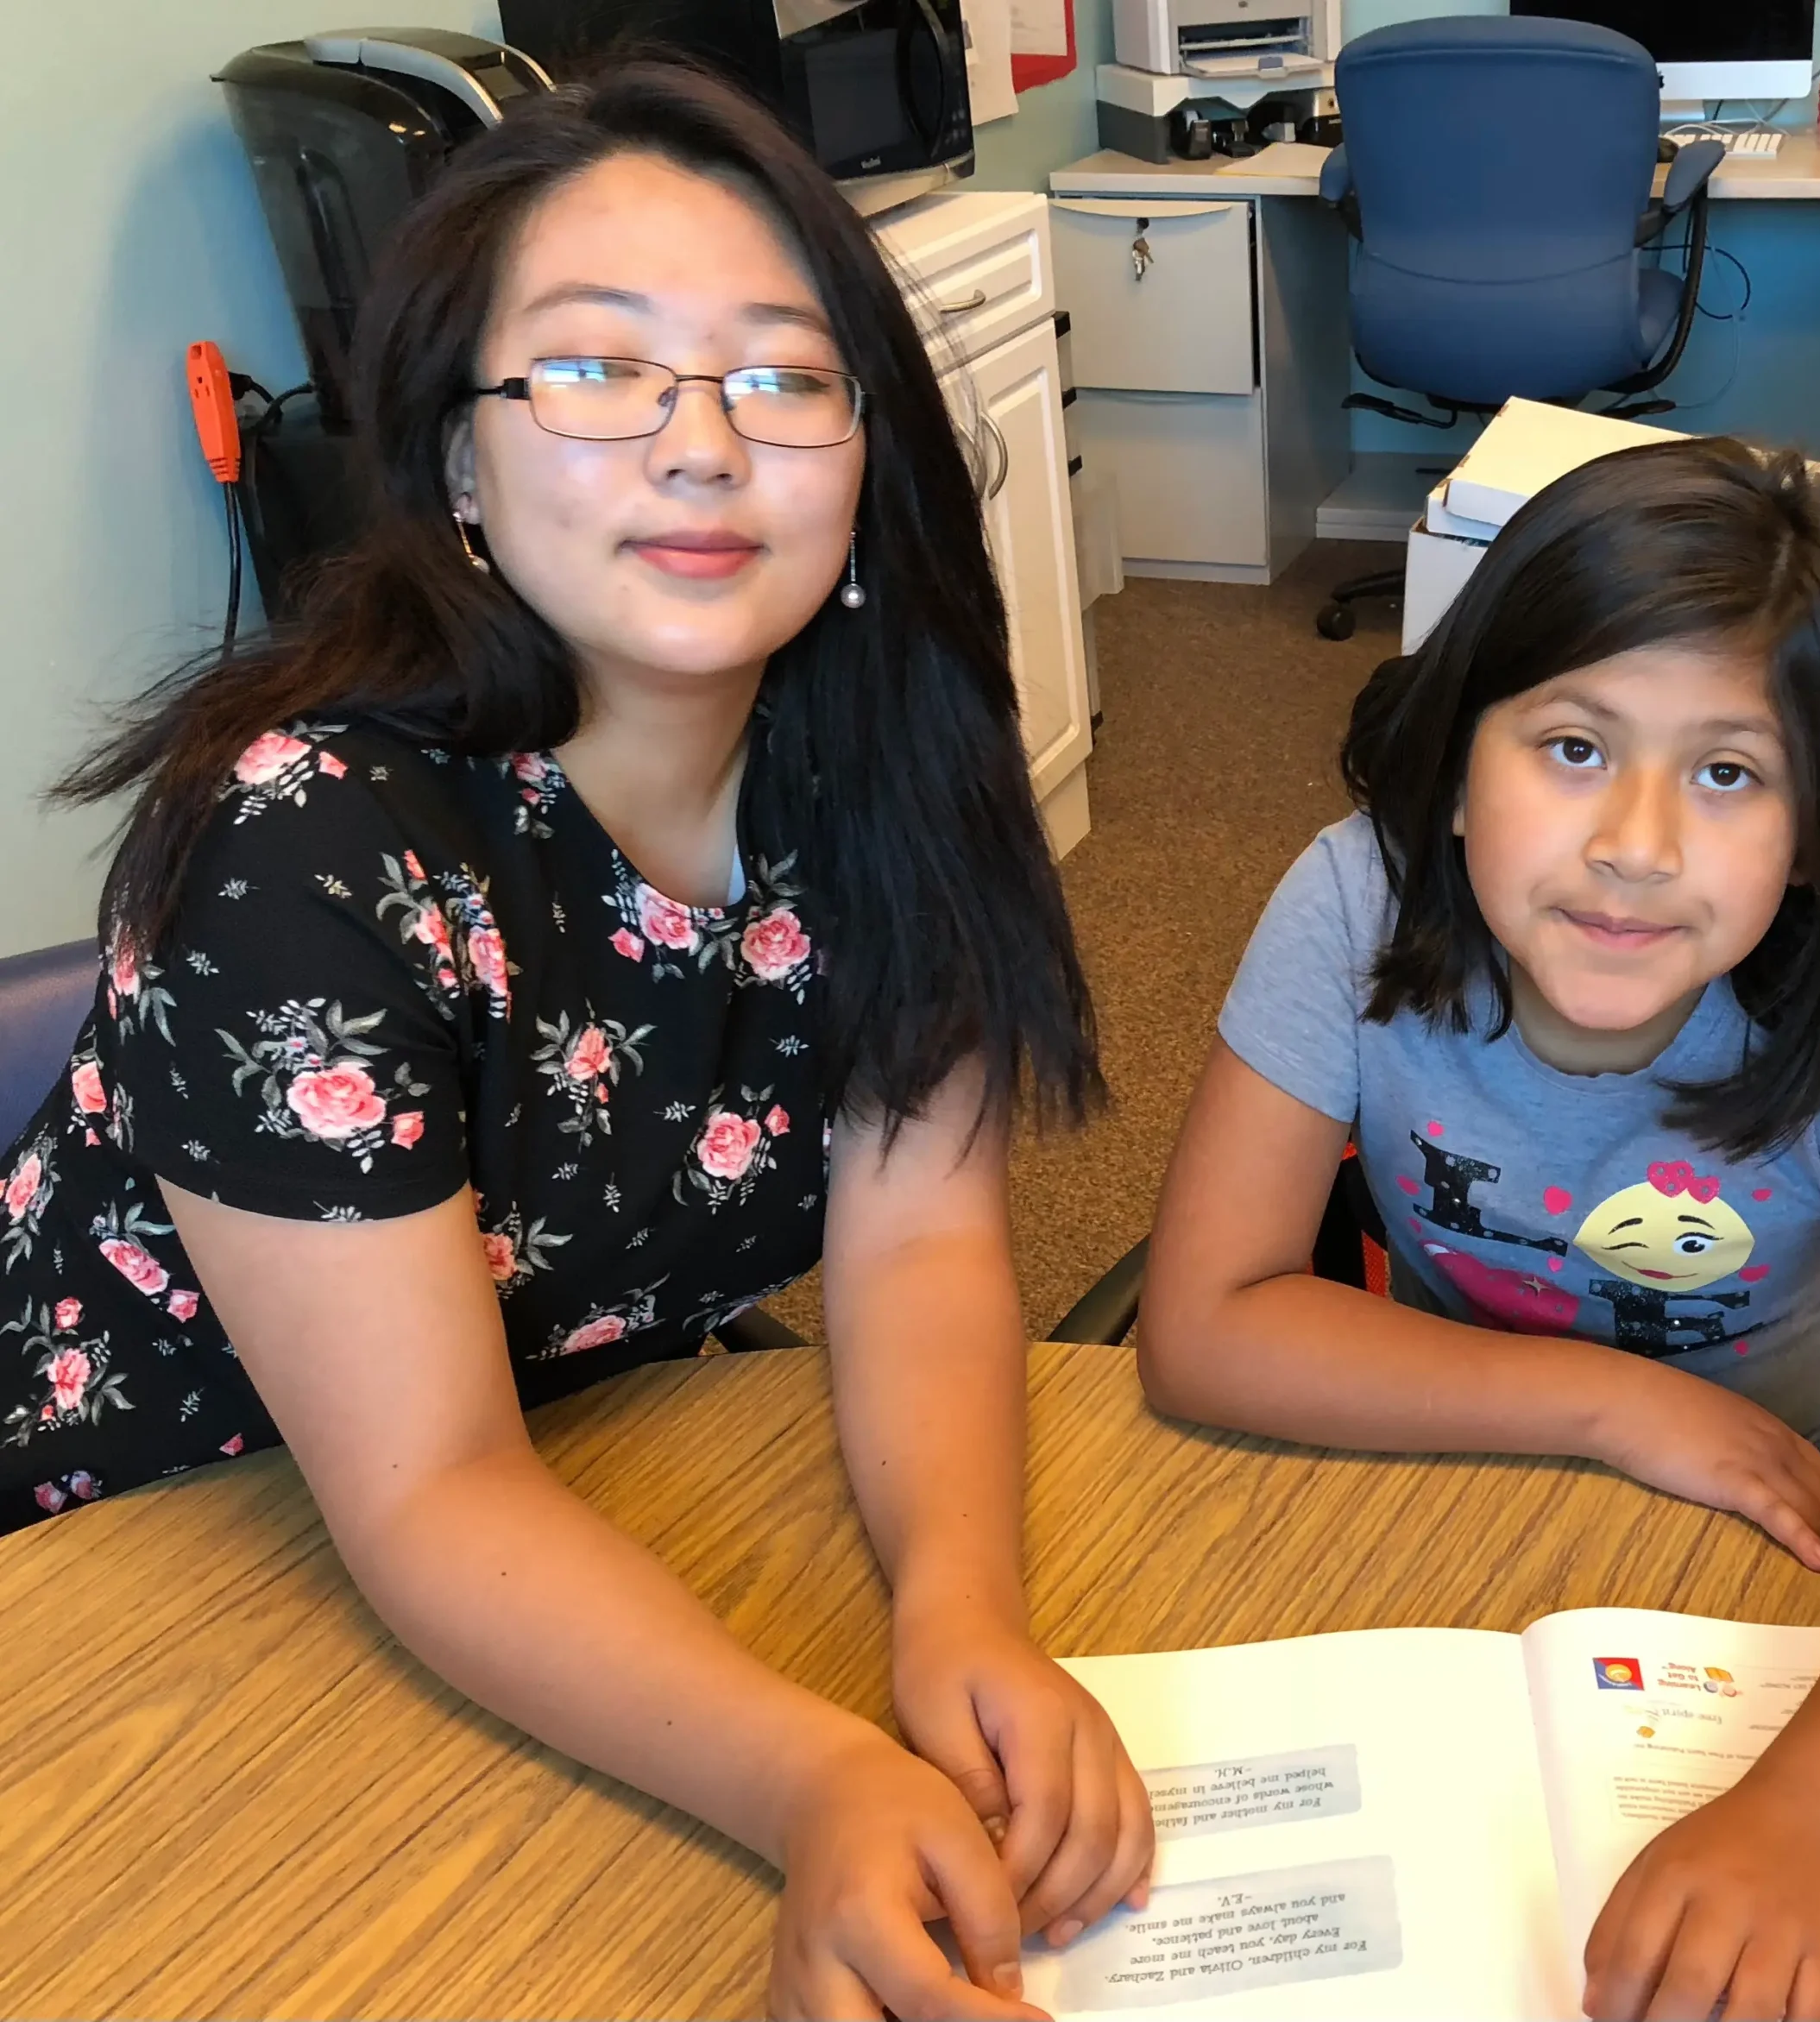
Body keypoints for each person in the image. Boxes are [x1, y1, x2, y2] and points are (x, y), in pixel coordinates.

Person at [3, 63, 1149, 2021]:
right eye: (596, 374)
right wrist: (814, 1776)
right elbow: (426, 1482)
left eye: (782, 379)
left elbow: (922, 1243)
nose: (702, 450)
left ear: (864, 453)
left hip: (594, 1451)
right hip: (170, 1560)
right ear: (458, 466)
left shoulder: (884, 762)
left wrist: (958, 1607)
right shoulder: (302, 847)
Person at [1138, 439, 1820, 2021]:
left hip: (1814, 1529)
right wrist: (1621, 1400)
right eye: (1574, 747)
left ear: (1812, 822)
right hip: (1481, 1461)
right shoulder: (1353, 907)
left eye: (1730, 773)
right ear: (1457, 766)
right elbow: (1208, 1315)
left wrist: (1809, 1822)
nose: (1638, 846)